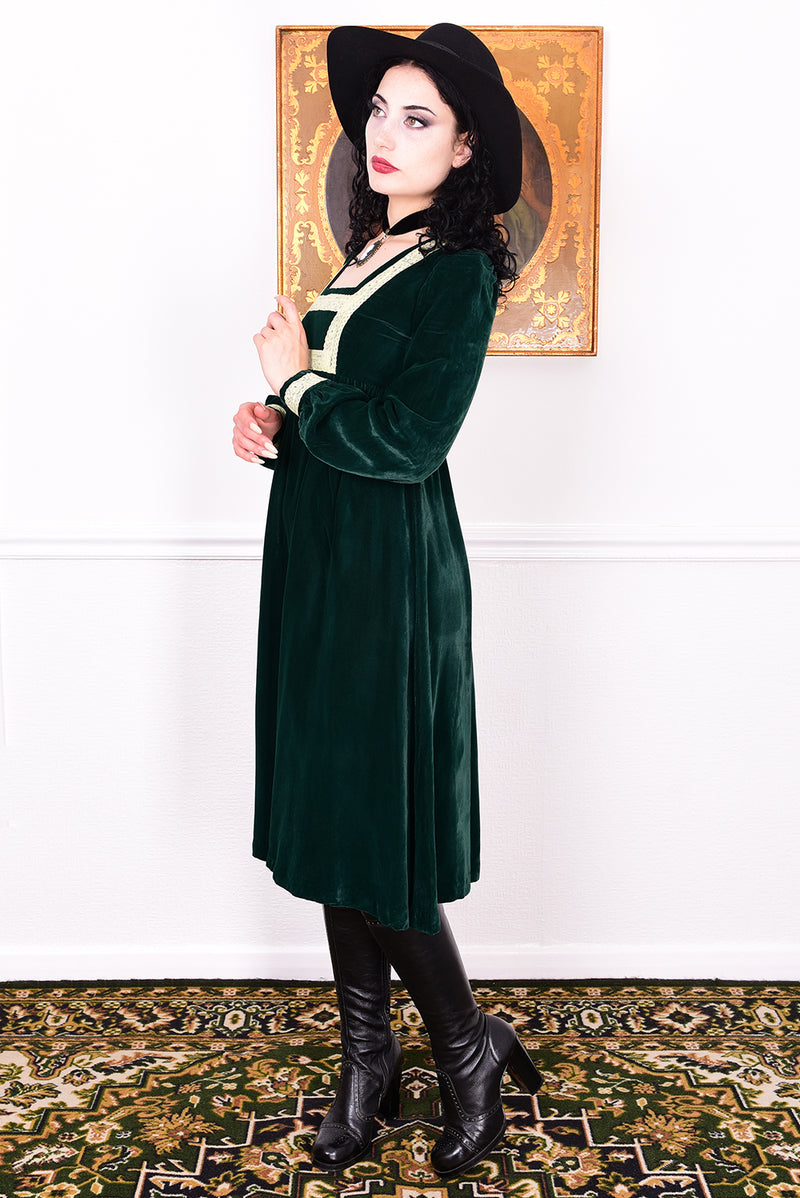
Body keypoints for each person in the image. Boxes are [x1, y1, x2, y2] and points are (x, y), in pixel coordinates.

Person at [231, 23, 543, 1178]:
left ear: (464, 150)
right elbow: (333, 420)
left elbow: (408, 443)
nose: (384, 134)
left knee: (380, 827)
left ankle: (462, 1048)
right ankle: (370, 1059)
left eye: (416, 119)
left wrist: (294, 379)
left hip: (387, 573)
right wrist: (273, 428)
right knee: (333, 822)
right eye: (377, 113)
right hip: (316, 556)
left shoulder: (458, 273)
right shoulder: (363, 253)